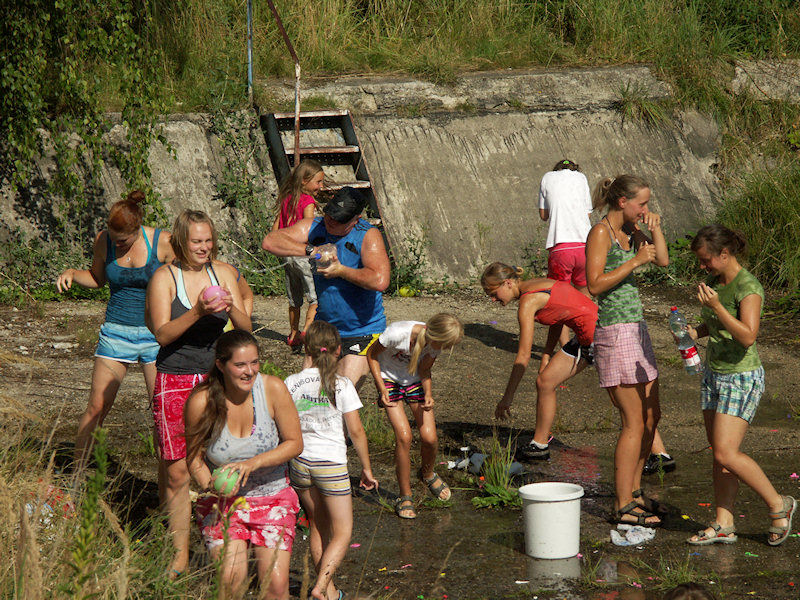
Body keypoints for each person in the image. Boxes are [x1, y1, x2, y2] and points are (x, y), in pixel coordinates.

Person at [146, 209, 251, 576]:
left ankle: (226, 538)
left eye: (208, 241)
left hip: (215, 378)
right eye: (196, 242)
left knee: (220, 460)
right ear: (180, 242)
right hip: (174, 377)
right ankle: (179, 557)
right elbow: (162, 334)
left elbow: (245, 327)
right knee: (177, 470)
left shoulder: (222, 272)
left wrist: (231, 305)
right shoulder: (164, 277)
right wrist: (198, 311)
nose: (204, 247)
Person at [685, 225, 795, 546]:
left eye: (706, 260)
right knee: (719, 454)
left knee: (726, 452)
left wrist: (717, 307)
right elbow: (718, 324)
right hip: (714, 373)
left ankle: (779, 504)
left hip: (740, 376)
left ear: (724, 253)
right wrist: (697, 331)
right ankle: (724, 523)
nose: (702, 266)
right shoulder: (716, 283)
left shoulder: (748, 286)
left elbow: (747, 335)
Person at [55, 190, 174, 465]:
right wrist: (72, 273)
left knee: (162, 413)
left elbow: (181, 280)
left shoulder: (163, 242)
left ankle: (168, 483)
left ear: (137, 228)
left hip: (155, 336)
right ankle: (75, 477)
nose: (117, 244)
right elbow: (97, 278)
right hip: (116, 332)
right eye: (113, 238)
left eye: (123, 241)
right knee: (97, 407)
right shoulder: (103, 240)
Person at [184, 330, 302, 600]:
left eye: (254, 362)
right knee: (230, 582)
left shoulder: (272, 389)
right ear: (220, 365)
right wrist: (209, 484)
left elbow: (295, 443)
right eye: (240, 365)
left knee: (275, 586)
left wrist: (252, 463)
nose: (250, 371)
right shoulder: (201, 401)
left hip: (273, 497)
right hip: (223, 503)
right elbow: (193, 458)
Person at [585, 174, 668, 526]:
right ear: (623, 202)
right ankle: (623, 505)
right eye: (642, 203)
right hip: (614, 333)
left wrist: (655, 230)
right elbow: (593, 285)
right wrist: (634, 262)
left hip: (637, 329)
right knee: (633, 421)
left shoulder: (632, 231)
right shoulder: (600, 233)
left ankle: (634, 492)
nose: (646, 209)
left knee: (652, 416)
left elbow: (662, 261)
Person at [285, 321, 378, 600]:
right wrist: (366, 468)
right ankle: (320, 587)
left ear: (307, 350)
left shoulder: (291, 382)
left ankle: (330, 592)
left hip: (300, 463)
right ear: (339, 350)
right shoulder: (342, 384)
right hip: (330, 465)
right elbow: (356, 431)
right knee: (343, 532)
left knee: (317, 524)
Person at [262, 186, 390, 387]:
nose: (331, 221)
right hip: (325, 328)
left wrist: (341, 271)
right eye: (330, 215)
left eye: (339, 220)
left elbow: (380, 280)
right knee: (307, 393)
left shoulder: (368, 235)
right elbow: (270, 241)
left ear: (355, 219)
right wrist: (311, 250)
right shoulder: (315, 226)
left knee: (341, 394)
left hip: (362, 330)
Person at [480, 263, 597, 461]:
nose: (492, 299)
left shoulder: (528, 301)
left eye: (493, 293)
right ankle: (540, 444)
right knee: (545, 381)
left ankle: (653, 450)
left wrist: (507, 398)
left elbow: (523, 356)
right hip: (585, 336)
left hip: (600, 337)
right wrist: (546, 355)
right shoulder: (536, 284)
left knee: (624, 400)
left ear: (507, 283)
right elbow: (559, 315)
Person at [366, 313, 463, 519]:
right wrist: (381, 388)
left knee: (430, 438)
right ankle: (405, 495)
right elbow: (371, 356)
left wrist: (428, 394)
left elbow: (425, 370)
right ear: (434, 334)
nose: (444, 349)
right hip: (388, 379)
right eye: (445, 345)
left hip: (414, 380)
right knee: (404, 437)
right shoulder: (397, 333)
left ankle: (427, 474)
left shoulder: (435, 344)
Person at [538, 159, 593, 347]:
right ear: (575, 169)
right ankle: (584, 344)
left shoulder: (547, 177)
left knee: (560, 301)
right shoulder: (582, 178)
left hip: (561, 247)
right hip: (586, 246)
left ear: (556, 169)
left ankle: (565, 346)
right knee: (584, 299)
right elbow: (587, 214)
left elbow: (544, 215)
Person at [272, 160, 324, 347]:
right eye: (318, 182)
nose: (321, 186)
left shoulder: (287, 198)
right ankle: (306, 330)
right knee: (315, 298)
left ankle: (293, 333)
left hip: (287, 254)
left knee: (294, 298)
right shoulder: (308, 202)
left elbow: (275, 229)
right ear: (304, 181)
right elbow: (309, 230)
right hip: (302, 253)